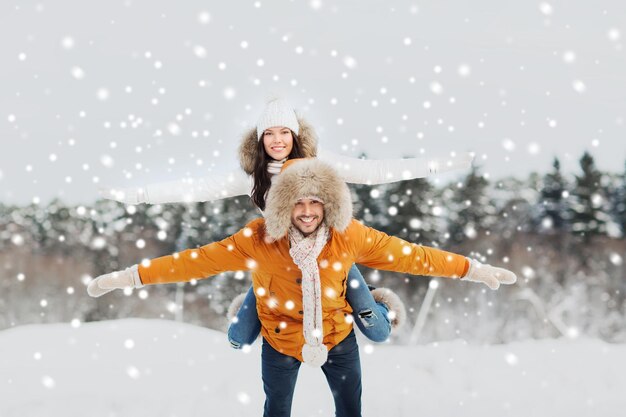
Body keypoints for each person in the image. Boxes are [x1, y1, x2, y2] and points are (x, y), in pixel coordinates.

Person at [88, 158, 517, 417]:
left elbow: (414, 256)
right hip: (280, 338)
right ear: (283, 204)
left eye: (316, 201)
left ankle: (375, 309)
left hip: (337, 334)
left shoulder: (350, 236)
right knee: (276, 410)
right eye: (298, 201)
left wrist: (472, 269)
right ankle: (251, 308)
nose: (308, 211)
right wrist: (130, 276)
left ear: (328, 204)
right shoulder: (258, 240)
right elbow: (194, 262)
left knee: (350, 409)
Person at [101, 97, 474, 348]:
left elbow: (377, 171)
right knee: (238, 338)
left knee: (378, 333)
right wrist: (137, 195)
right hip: (280, 262)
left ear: (295, 135)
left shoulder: (321, 162)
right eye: (269, 133)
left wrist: (444, 164)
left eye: (284, 132)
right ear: (260, 138)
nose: (277, 140)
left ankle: (376, 303)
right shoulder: (253, 175)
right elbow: (196, 188)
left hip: (329, 256)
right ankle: (254, 304)